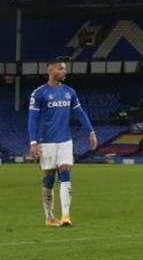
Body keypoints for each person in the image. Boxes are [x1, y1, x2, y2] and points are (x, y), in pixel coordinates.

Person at [27, 59, 97, 227]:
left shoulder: (69, 92)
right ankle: (50, 216)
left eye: (65, 69)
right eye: (61, 69)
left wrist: (91, 131)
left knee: (65, 173)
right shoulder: (39, 93)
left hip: (65, 140)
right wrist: (33, 142)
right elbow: (32, 119)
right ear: (51, 70)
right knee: (49, 179)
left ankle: (66, 215)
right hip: (46, 142)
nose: (65, 71)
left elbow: (80, 113)